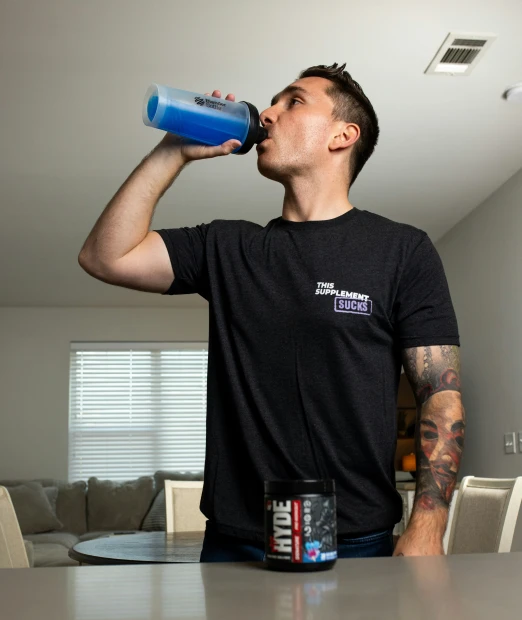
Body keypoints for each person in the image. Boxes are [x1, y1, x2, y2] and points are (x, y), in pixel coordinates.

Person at [78, 62, 465, 561]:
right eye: (273, 102)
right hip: (235, 541)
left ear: (343, 135)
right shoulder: (227, 247)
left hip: (356, 539)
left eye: (293, 102)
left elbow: (441, 394)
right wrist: (171, 151)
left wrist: (427, 528)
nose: (266, 114)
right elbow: (104, 256)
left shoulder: (403, 251)